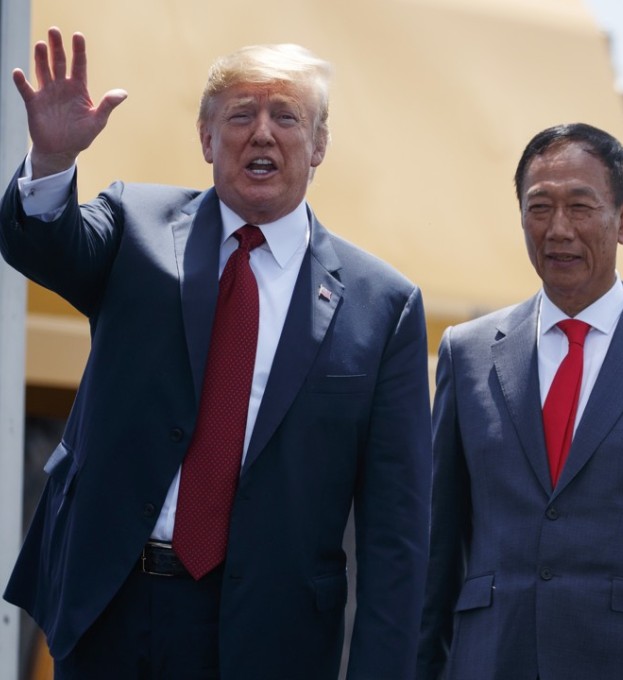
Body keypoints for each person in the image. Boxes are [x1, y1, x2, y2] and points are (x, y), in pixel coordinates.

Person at [1, 27, 432, 679]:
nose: (262, 133)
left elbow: (396, 532)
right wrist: (53, 162)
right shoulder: (135, 225)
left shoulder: (384, 304)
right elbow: (47, 248)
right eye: (241, 115)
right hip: (108, 608)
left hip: (269, 634)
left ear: (318, 145)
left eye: (286, 115)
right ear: (206, 138)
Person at [417, 122, 623, 680]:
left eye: (580, 206)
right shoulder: (465, 353)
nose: (558, 229)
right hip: (492, 657)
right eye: (539, 207)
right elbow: (437, 544)